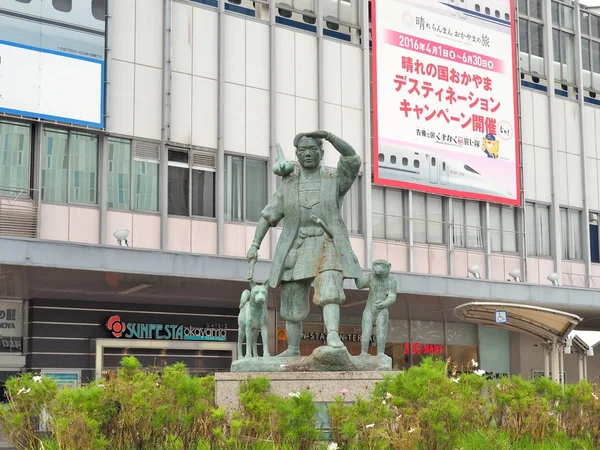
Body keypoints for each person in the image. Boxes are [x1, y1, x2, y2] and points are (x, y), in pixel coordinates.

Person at [246, 131, 361, 356]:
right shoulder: (289, 185)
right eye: (302, 151)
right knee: (291, 298)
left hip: (326, 242)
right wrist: (255, 244)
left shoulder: (334, 179)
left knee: (329, 288)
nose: (307, 154)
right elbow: (268, 216)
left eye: (312, 150)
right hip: (296, 246)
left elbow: (352, 159)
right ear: (296, 156)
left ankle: (334, 335)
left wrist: (329, 136)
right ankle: (292, 348)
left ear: (321, 152)